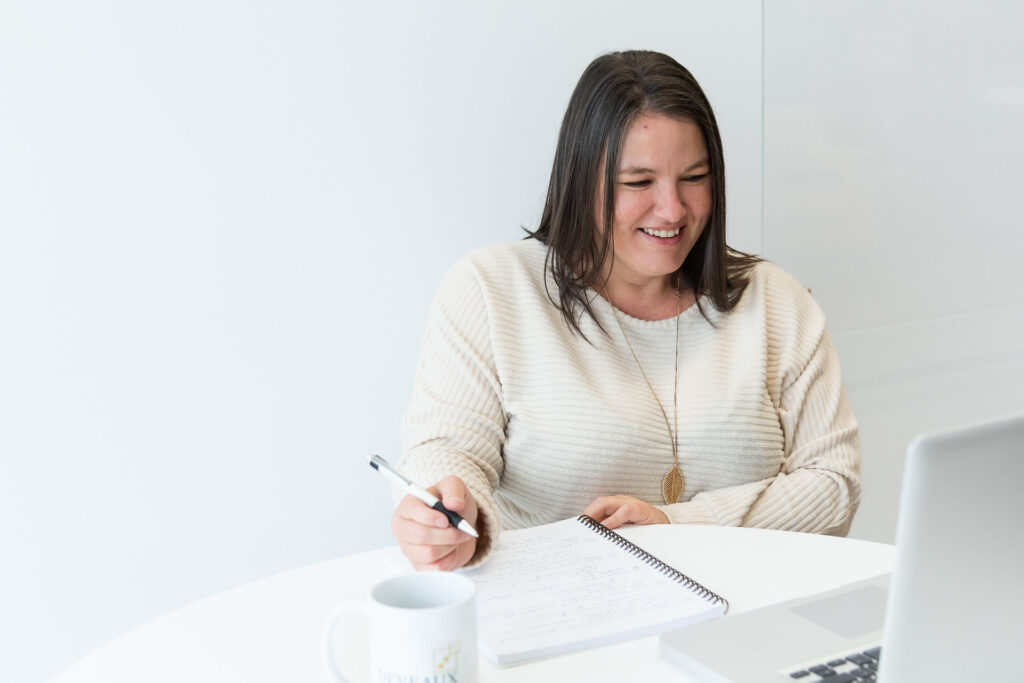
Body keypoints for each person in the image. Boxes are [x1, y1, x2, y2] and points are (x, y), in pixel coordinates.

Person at [391, 50, 861, 571]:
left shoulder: (775, 300)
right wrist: (451, 512)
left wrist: (676, 525)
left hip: (746, 622)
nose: (673, 209)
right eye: (638, 183)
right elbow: (450, 452)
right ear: (578, 181)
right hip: (558, 615)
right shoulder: (490, 289)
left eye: (695, 177)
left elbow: (835, 485)